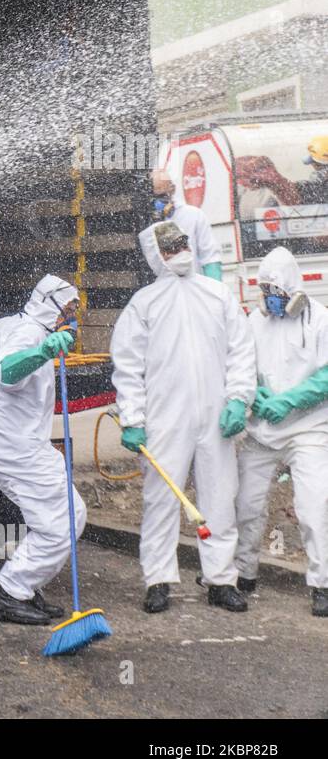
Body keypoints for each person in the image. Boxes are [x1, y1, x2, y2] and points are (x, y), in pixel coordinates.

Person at [111, 221, 256, 614]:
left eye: (181, 244)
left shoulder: (217, 295)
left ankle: (221, 579)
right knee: (161, 499)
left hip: (215, 416)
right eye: (170, 247)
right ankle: (158, 580)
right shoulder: (144, 303)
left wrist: (238, 400)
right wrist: (132, 418)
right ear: (155, 254)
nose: (179, 252)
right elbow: (128, 367)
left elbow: (241, 353)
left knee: (220, 498)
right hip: (163, 420)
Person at [0, 275, 83, 625]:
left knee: (54, 517)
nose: (72, 316)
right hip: (14, 447)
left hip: (11, 442)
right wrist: (43, 351)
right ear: (52, 303)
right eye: (70, 308)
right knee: (67, 519)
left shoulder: (8, 325)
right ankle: (12, 590)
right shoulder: (30, 335)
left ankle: (26, 586)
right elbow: (7, 372)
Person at [235, 247, 328, 617]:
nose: (271, 298)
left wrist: (290, 400)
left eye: (277, 291)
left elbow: (325, 376)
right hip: (262, 431)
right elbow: (242, 366)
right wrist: (256, 396)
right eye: (266, 290)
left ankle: (322, 584)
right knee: (246, 505)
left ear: (292, 290)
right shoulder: (254, 323)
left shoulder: (320, 320)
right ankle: (243, 573)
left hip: (309, 430)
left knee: (314, 507)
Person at [150, 165, 222, 280]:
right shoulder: (146, 223)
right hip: (165, 289)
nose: (159, 202)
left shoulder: (194, 216)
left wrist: (216, 288)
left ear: (172, 190)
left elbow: (210, 257)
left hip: (194, 288)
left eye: (163, 195)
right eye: (155, 197)